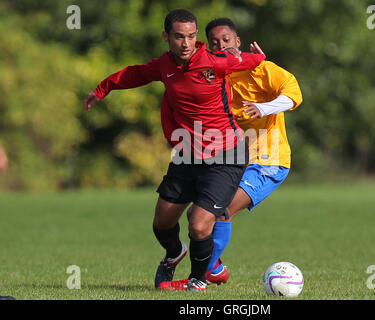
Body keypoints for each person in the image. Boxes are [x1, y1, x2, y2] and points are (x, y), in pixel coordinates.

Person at [83, 9, 265, 292]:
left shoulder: (215, 62)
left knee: (199, 224)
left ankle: (197, 280)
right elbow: (135, 74)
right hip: (188, 156)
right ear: (166, 37)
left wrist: (259, 57)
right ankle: (173, 252)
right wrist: (102, 89)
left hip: (226, 155)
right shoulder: (163, 65)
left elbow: (247, 60)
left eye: (191, 36)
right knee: (162, 222)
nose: (186, 43)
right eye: (179, 36)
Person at [159, 17, 302, 290]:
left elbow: (294, 94)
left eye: (227, 40)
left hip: (268, 161)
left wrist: (264, 108)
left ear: (238, 42)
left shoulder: (263, 69)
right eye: (214, 43)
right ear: (208, 48)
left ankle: (204, 275)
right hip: (234, 159)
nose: (221, 46)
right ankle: (215, 269)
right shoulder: (212, 76)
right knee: (195, 217)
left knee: (221, 212)